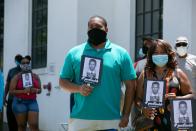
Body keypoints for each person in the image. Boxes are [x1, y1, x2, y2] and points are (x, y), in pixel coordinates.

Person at [59, 15, 137, 131]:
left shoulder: (121, 53)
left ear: (106, 29)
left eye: (98, 27)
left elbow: (131, 86)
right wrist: (79, 88)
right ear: (87, 30)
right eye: (91, 27)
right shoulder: (74, 53)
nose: (94, 29)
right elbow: (62, 83)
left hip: (111, 120)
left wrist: (126, 114)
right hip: (80, 120)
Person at [135, 39, 193, 131]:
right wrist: (143, 109)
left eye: (162, 52)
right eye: (156, 53)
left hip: (175, 125)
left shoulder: (178, 73)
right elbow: (137, 99)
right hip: (150, 125)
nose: (159, 55)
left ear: (169, 54)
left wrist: (177, 99)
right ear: (151, 55)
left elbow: (192, 95)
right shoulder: (145, 74)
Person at [10, 56, 41, 131]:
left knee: (34, 125)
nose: (25, 64)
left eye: (27, 62)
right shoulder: (16, 77)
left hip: (32, 102)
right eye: (23, 63)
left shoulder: (36, 76)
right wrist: (23, 91)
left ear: (30, 64)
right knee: (22, 126)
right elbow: (11, 91)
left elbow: (40, 90)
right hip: (19, 102)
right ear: (20, 65)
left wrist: (36, 90)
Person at [4, 54, 22, 131]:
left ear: (15, 61)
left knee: (14, 122)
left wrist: (4, 97)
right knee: (15, 122)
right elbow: (7, 85)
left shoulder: (12, 71)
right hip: (16, 100)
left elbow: (7, 85)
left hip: (17, 100)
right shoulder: (12, 71)